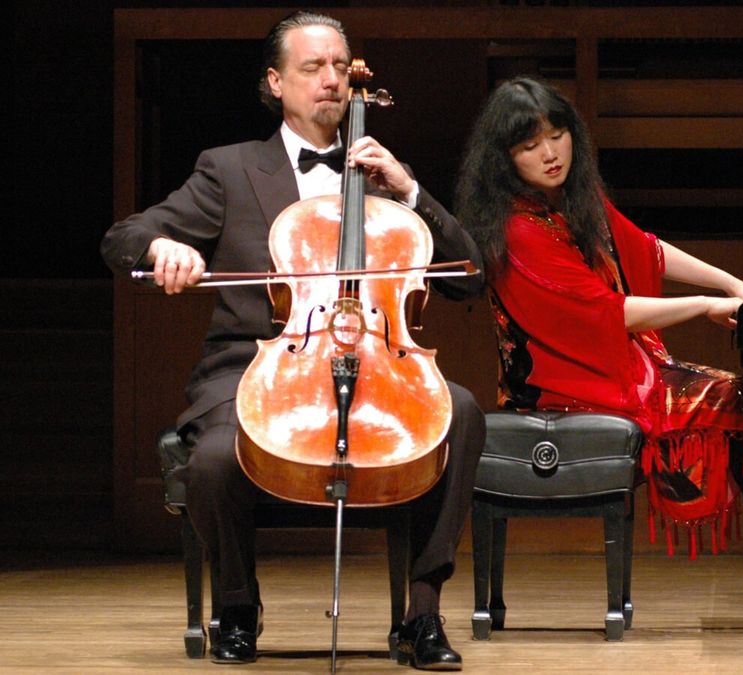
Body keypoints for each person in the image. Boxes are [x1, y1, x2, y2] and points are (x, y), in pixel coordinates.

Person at [101, 12, 482, 670]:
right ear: (276, 82)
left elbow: (470, 274)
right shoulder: (229, 169)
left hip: (378, 364)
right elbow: (123, 237)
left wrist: (411, 189)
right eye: (312, 68)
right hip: (257, 365)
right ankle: (239, 605)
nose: (331, 80)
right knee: (218, 454)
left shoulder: (384, 178)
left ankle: (422, 613)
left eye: (340, 66)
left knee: (464, 412)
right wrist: (164, 246)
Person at [455, 77, 743, 636]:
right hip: (559, 384)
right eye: (530, 145)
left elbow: (646, 248)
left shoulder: (572, 201)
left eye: (557, 135)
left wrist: (733, 283)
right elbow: (607, 313)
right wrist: (705, 304)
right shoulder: (516, 228)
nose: (550, 153)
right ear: (504, 158)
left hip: (606, 365)